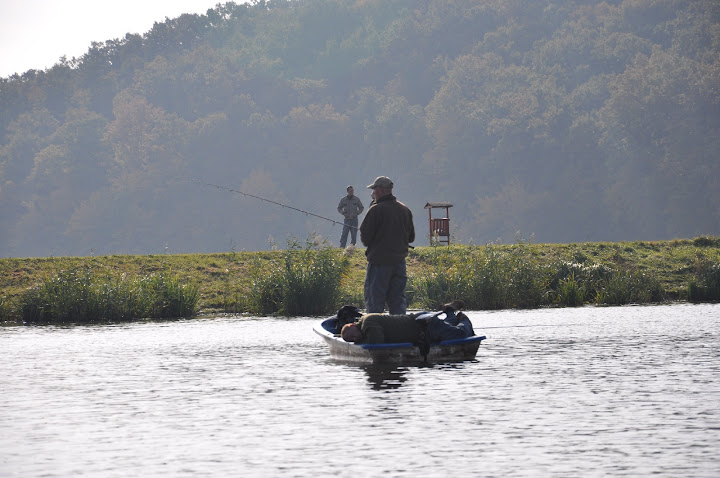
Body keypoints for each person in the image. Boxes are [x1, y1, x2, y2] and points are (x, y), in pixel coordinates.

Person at [359, 176, 415, 314]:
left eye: (374, 189)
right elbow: (411, 238)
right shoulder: (405, 210)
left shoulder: (375, 210)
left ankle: (374, 326)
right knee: (397, 301)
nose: (373, 193)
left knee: (374, 300)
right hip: (399, 264)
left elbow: (365, 239)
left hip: (379, 264)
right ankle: (400, 326)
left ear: (381, 190)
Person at [340, 301, 475, 344]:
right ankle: (450, 311)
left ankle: (463, 318)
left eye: (352, 335)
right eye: (351, 340)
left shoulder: (367, 322)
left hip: (425, 324)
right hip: (423, 331)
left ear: (352, 325)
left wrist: (359, 343)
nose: (354, 339)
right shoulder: (365, 330)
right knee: (448, 329)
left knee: (461, 335)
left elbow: (377, 340)